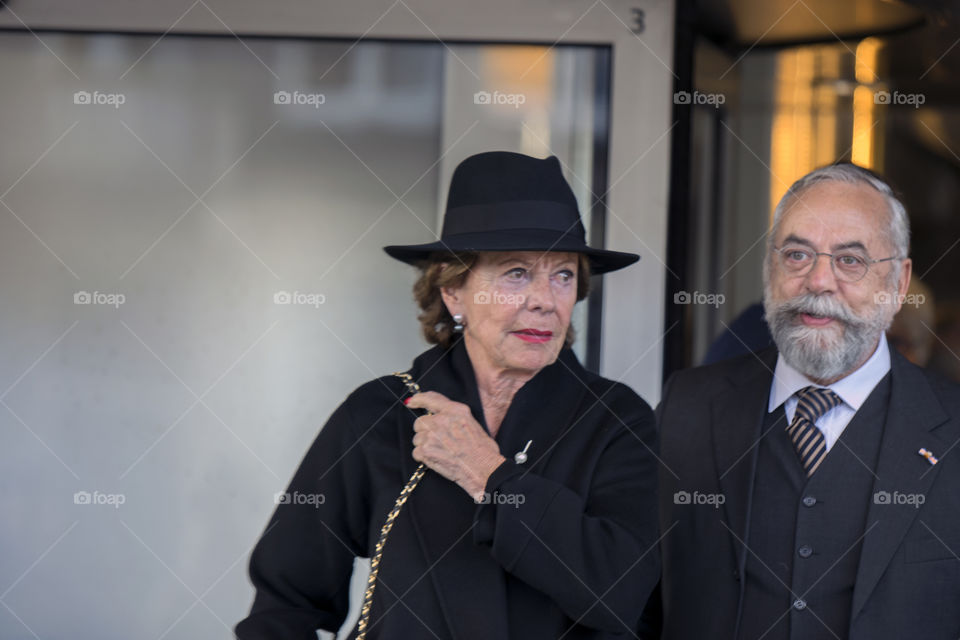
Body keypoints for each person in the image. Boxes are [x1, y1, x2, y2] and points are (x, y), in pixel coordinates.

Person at [236, 151, 660, 639]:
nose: (545, 299)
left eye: (563, 274)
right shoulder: (379, 414)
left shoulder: (615, 419)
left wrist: (492, 478)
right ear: (453, 291)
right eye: (516, 273)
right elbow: (286, 599)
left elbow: (624, 593)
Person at [646, 163, 960, 639]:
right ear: (770, 267)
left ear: (898, 284)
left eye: (850, 260)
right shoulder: (687, 407)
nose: (818, 281)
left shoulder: (953, 430)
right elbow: (636, 598)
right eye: (797, 254)